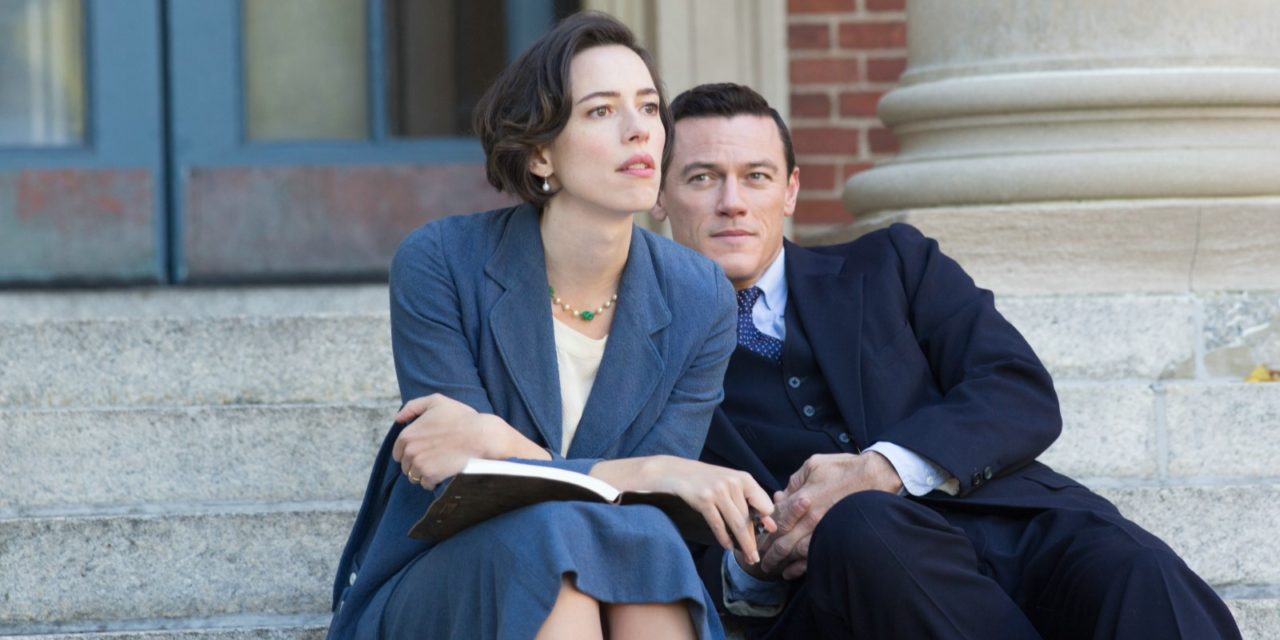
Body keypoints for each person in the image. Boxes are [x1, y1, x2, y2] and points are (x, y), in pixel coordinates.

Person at [652, 82, 1242, 639]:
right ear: (658, 195)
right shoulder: (644, 357)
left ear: (790, 191)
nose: (733, 203)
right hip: (845, 584)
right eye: (703, 178)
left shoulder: (891, 263)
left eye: (756, 177)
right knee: (863, 525)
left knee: (1135, 570)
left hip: (1007, 522)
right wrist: (750, 568)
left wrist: (882, 468)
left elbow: (1015, 388)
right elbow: (663, 543)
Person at [326, 18, 777, 640]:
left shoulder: (700, 295)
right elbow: (459, 477)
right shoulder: (441, 262)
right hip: (447, 573)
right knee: (551, 539)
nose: (639, 129)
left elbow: (652, 504)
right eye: (601, 111)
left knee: (643, 539)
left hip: (622, 559)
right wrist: (642, 472)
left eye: (649, 107)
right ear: (541, 154)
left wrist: (501, 442)